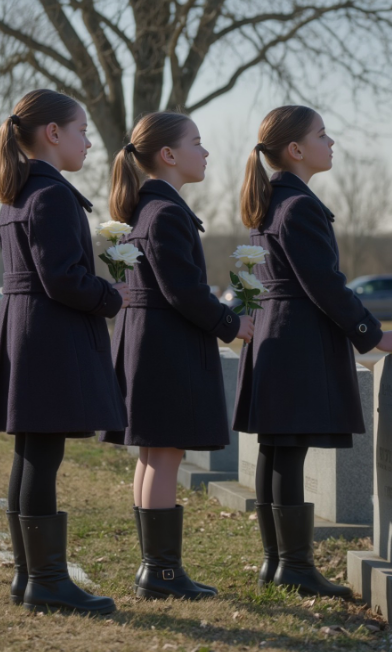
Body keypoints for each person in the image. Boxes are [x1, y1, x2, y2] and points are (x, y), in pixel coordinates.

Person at [235, 106, 392, 597]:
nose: (330, 143)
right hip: (296, 341)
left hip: (275, 335)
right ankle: (292, 567)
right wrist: (371, 333)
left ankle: (277, 563)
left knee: (277, 450)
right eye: (322, 135)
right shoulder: (298, 205)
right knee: (286, 452)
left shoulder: (271, 200)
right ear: (295, 149)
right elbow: (325, 283)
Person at [0, 89, 129, 614]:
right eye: (81, 131)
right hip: (48, 334)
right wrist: (112, 296)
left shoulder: (18, 193)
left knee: (31, 453)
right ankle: (44, 581)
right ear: (53, 133)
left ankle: (30, 576)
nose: (88, 141)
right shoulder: (52, 195)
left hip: (26, 330)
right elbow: (62, 278)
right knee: (41, 456)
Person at [102, 111, 254, 600]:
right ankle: (162, 574)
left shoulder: (148, 208)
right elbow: (183, 291)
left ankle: (156, 569)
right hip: (165, 347)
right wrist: (231, 324)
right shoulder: (164, 213)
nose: (205, 152)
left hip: (149, 342)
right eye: (197, 143)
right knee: (164, 455)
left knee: (154, 455)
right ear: (168, 155)